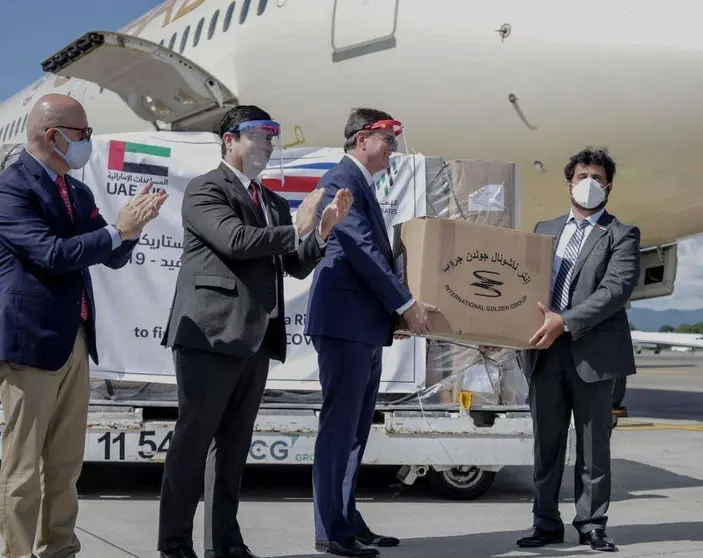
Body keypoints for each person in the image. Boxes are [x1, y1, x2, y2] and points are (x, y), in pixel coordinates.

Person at [157, 105, 352, 558]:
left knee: (233, 448)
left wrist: (320, 233)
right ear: (230, 140)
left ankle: (224, 542)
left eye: (272, 135)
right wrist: (295, 229)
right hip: (210, 335)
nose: (268, 143)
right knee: (193, 442)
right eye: (259, 134)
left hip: (256, 338)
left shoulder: (273, 201)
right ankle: (174, 545)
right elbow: (235, 241)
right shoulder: (206, 189)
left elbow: (295, 265)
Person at [0, 93, 166, 558]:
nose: (88, 142)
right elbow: (51, 254)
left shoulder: (77, 191)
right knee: (22, 467)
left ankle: (59, 548)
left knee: (66, 464)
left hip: (74, 339)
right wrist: (118, 230)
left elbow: (110, 254)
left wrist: (131, 229)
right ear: (53, 136)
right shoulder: (12, 187)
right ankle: (15, 552)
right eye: (83, 134)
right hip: (31, 344)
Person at [304, 108, 436, 557]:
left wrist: (392, 314)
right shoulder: (341, 179)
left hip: (362, 324)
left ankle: (347, 519)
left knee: (356, 431)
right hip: (344, 323)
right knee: (339, 429)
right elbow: (360, 248)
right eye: (389, 138)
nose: (394, 147)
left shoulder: (361, 182)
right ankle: (330, 530)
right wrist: (405, 304)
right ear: (364, 139)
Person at [517, 147, 641, 552]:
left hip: (593, 355)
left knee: (593, 446)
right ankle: (544, 522)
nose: (589, 183)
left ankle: (591, 524)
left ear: (609, 186)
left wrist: (564, 322)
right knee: (546, 444)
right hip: (544, 353)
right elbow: (524, 286)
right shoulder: (545, 228)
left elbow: (614, 291)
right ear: (569, 182)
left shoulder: (622, 234)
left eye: (597, 178)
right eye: (582, 175)